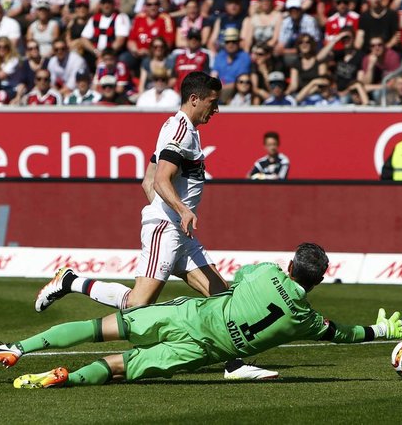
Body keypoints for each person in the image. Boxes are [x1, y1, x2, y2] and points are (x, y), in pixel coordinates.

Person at [33, 71, 276, 381]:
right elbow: (161, 179)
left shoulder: (180, 127)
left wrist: (165, 211)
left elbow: (148, 179)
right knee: (137, 306)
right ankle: (72, 282)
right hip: (169, 228)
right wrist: (177, 211)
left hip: (176, 230)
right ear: (194, 99)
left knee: (219, 294)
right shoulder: (181, 132)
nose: (216, 110)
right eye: (213, 103)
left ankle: (234, 364)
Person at [0, 243, 402, 389]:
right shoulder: (307, 320)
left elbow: (236, 278)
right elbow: (342, 334)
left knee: (105, 326)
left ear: (292, 264)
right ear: (317, 281)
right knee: (121, 367)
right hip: (204, 349)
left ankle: (19, 347)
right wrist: (380, 329)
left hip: (190, 315)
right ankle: (65, 379)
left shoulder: (263, 273)